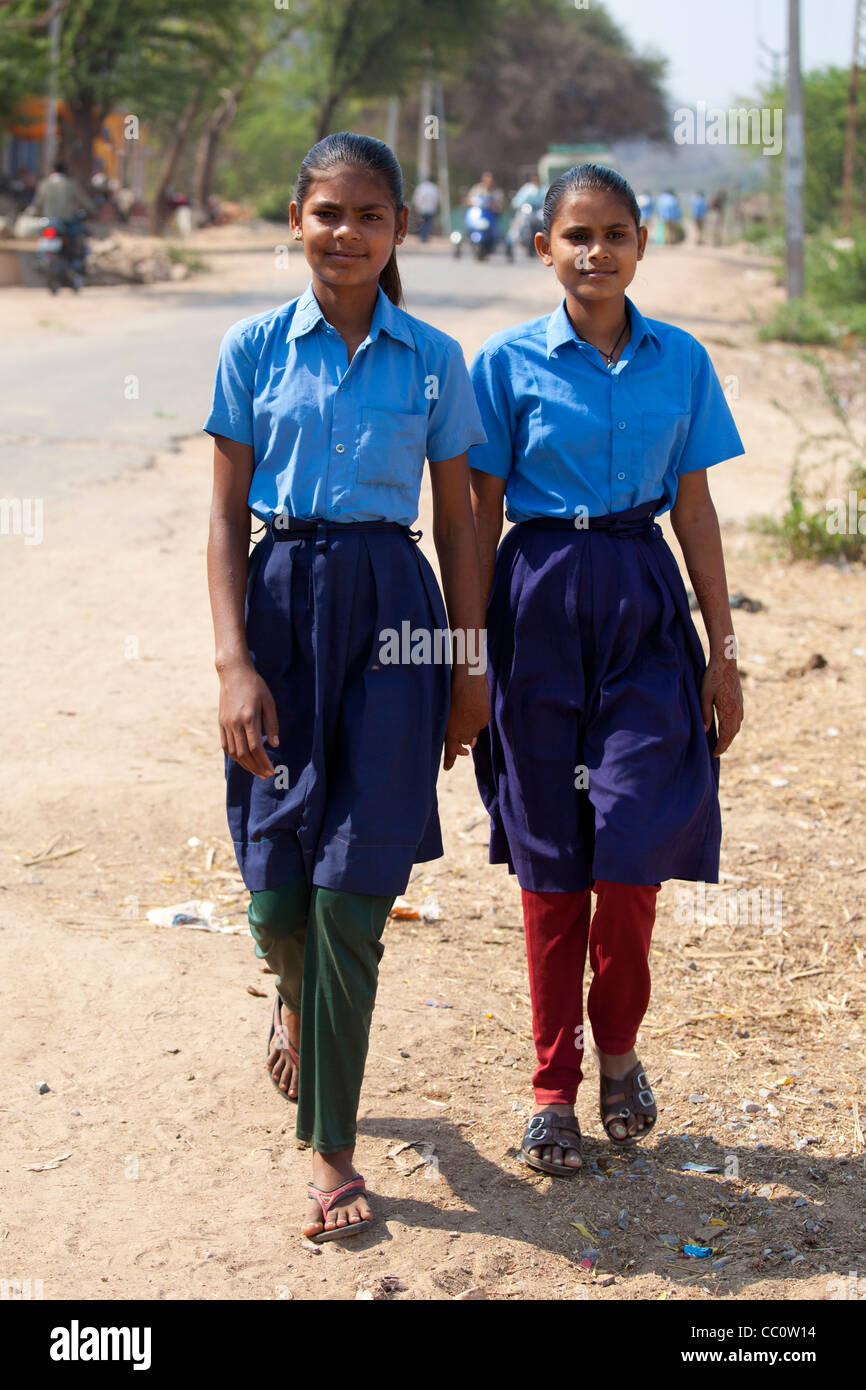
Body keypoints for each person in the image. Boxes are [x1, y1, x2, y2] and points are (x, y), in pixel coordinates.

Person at [203, 132, 489, 1240]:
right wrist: (233, 661)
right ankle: (290, 990)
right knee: (279, 897)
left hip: (394, 616)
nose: (346, 232)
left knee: (354, 894)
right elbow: (225, 516)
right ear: (295, 218)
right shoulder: (250, 348)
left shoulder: (431, 358)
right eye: (327, 211)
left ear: (399, 231)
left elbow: (460, 519)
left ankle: (329, 1150)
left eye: (369, 215)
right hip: (279, 607)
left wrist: (466, 665)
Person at [468, 163, 745, 1176]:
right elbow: (475, 513)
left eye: (613, 233)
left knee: (630, 851)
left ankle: (617, 1047)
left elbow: (696, 510)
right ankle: (553, 1090)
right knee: (551, 865)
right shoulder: (502, 365)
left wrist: (723, 654)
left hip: (639, 600)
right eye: (574, 235)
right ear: (542, 247)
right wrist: (464, 657)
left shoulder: (680, 361)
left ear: (640, 245)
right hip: (534, 599)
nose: (595, 251)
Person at [412, 175, 439, 242]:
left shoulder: (421, 187)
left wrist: (417, 206)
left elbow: (417, 197)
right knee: (428, 223)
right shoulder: (434, 188)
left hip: (422, 208)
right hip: (431, 209)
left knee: (422, 222)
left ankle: (422, 236)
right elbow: (436, 199)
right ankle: (425, 236)